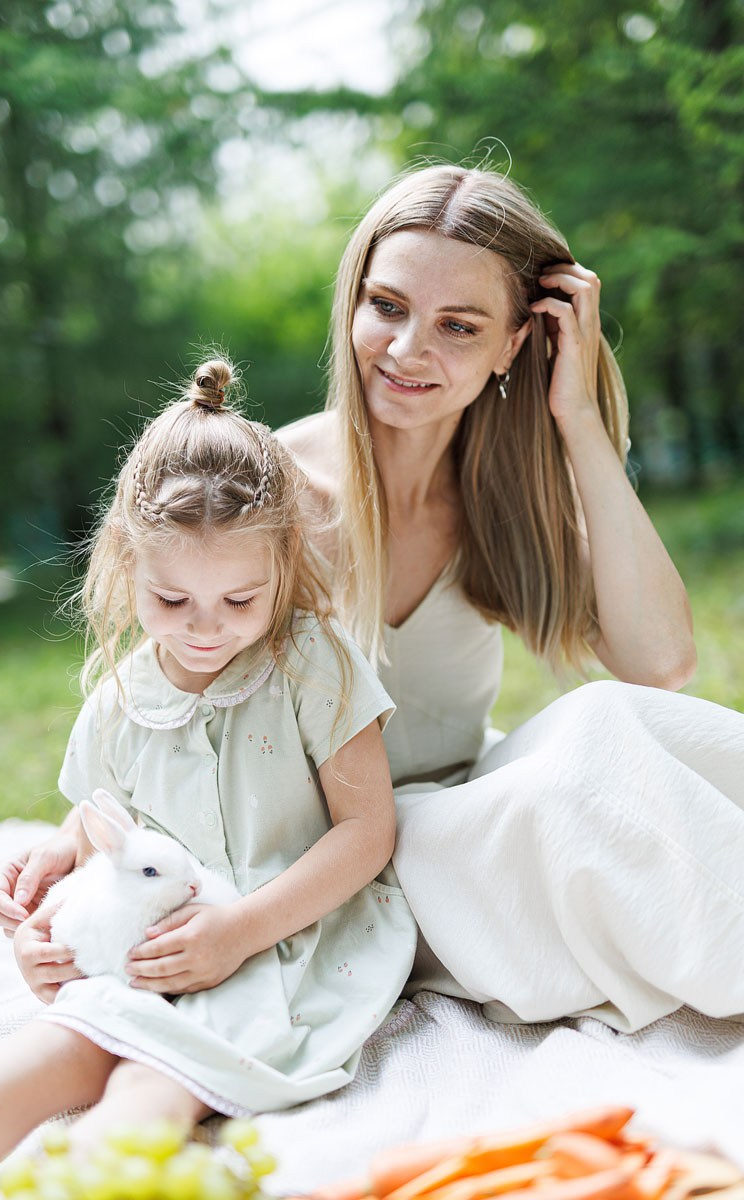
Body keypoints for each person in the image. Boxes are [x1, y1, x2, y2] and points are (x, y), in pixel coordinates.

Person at [276, 162, 744, 1033]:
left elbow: (661, 663)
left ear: (514, 345)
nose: (409, 349)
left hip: (471, 804)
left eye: (459, 326)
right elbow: (160, 705)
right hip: (346, 859)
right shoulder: (267, 492)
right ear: (352, 305)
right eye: (387, 306)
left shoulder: (498, 496)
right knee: (558, 802)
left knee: (615, 723)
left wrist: (579, 419)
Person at [0, 358, 415, 1190]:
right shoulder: (122, 697)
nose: (206, 630)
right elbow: (100, 826)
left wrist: (236, 933)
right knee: (50, 1052)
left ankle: (90, 1179)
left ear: (284, 566)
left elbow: (367, 831)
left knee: (149, 1081)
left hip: (280, 938)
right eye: (173, 602)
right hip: (147, 943)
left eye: (241, 601)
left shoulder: (311, 663)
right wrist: (48, 898)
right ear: (128, 565)